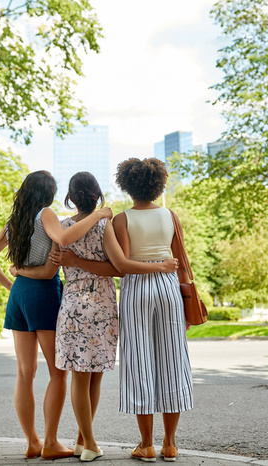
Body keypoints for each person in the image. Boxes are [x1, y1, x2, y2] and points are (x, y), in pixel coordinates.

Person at [13, 171, 178, 462]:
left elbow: (53, 268)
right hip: (101, 306)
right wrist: (160, 266)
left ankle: (84, 441)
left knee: (79, 377)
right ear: (97, 195)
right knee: (95, 379)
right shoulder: (105, 225)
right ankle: (86, 441)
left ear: (71, 198)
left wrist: (22, 271)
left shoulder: (61, 228)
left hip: (73, 306)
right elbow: (119, 268)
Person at [0, 170, 112, 460]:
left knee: (25, 374)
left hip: (19, 297)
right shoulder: (46, 214)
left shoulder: (15, 221)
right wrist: (99, 214)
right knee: (57, 372)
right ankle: (51, 442)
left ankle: (32, 442)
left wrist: (13, 282)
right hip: (42, 294)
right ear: (49, 193)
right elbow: (61, 241)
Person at [112, 157, 193, 462]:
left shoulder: (121, 220)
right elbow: (182, 262)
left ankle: (145, 444)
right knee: (173, 362)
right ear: (158, 185)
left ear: (128, 186)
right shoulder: (171, 216)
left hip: (136, 289)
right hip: (169, 287)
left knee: (140, 362)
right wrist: (187, 306)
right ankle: (170, 444)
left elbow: (123, 264)